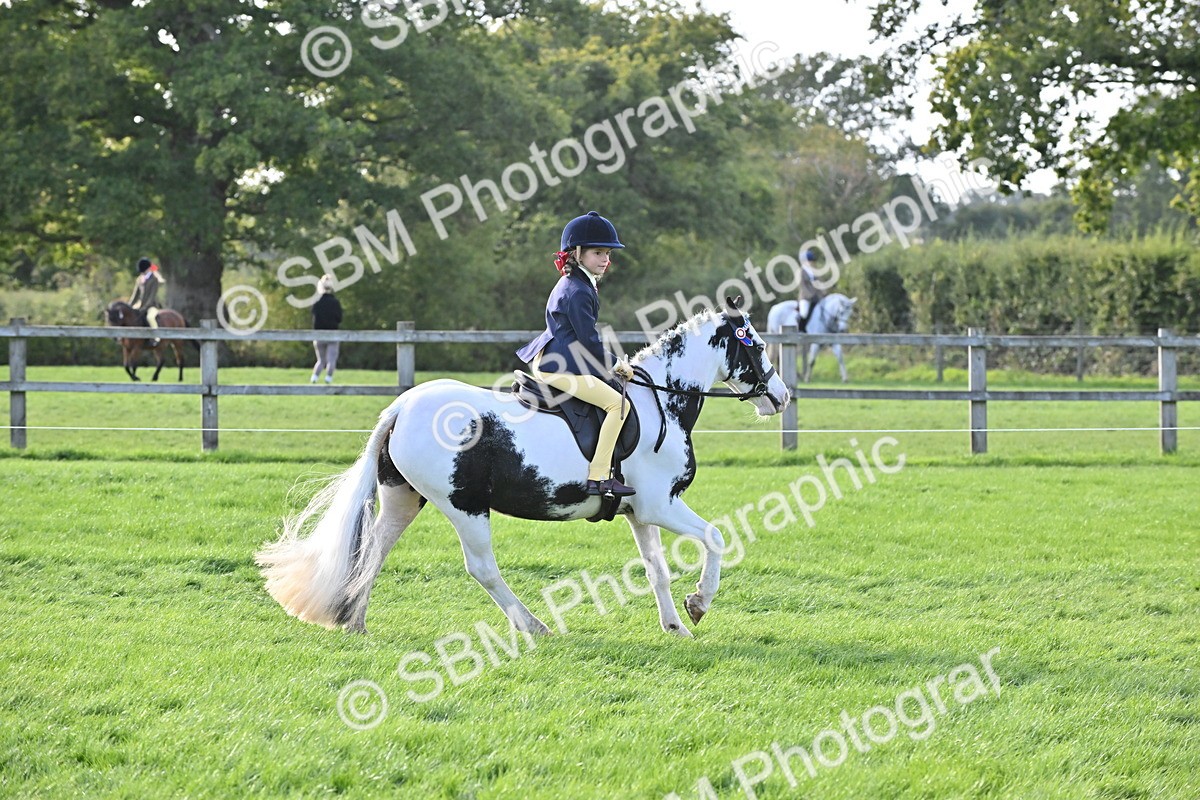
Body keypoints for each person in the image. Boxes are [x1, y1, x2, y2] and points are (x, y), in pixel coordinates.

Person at [516, 211, 636, 497]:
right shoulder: (578, 290)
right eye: (598, 253)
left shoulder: (578, 282)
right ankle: (599, 477)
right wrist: (617, 364)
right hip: (560, 365)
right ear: (578, 253)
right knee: (619, 406)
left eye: (607, 253)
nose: (605, 259)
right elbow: (589, 341)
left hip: (558, 358)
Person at [310, 275, 343, 384]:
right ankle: (328, 379)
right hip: (333, 334)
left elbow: (314, 317)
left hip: (319, 334)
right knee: (331, 359)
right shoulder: (335, 302)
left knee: (321, 360)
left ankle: (314, 377)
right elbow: (339, 318)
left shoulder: (317, 302)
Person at [129, 257, 165, 345]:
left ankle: (156, 337)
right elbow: (135, 295)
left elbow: (152, 296)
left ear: (148, 269)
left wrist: (145, 307)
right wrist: (129, 306)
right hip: (140, 305)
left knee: (150, 317)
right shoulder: (139, 279)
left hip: (152, 305)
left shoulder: (154, 279)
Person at [797, 247, 827, 333]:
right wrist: (810, 295)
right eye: (808, 261)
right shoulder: (801, 272)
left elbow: (820, 282)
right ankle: (801, 329)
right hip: (805, 297)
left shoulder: (815, 271)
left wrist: (823, 292)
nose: (810, 263)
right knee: (804, 313)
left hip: (816, 297)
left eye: (811, 261)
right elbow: (802, 286)